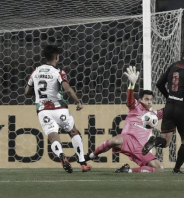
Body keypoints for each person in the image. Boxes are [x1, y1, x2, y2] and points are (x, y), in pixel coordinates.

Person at [142, 43, 184, 174]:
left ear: (181, 54)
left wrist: (169, 97)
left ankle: (155, 140)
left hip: (170, 107)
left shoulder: (173, 66)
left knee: (166, 142)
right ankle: (176, 169)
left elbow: (159, 84)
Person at [85, 66, 164, 173]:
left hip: (141, 148)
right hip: (127, 139)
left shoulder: (154, 114)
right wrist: (132, 85)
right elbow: (130, 98)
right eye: (146, 99)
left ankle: (128, 170)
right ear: (140, 99)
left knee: (160, 169)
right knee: (114, 140)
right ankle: (92, 155)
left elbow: (168, 110)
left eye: (151, 99)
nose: (149, 102)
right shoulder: (135, 106)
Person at [25, 45, 91, 173]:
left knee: (52, 134)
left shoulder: (36, 71)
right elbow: (67, 89)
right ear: (57, 57)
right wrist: (78, 101)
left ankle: (61, 154)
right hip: (59, 107)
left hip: (43, 110)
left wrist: (38, 93)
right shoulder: (58, 72)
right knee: (73, 132)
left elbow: (27, 91)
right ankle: (82, 163)